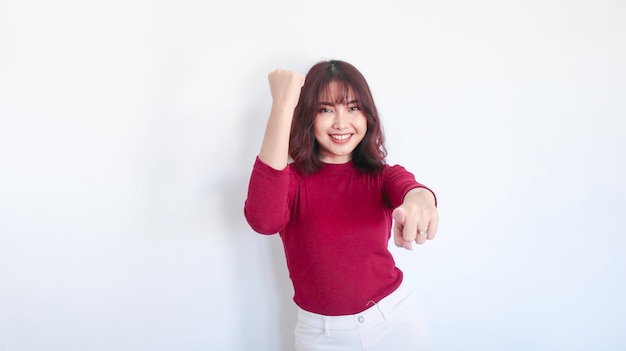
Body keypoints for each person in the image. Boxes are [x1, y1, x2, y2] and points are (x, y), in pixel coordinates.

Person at [244, 59, 439, 351]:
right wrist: (283, 106)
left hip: (395, 322)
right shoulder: (292, 182)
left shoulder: (382, 176)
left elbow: (413, 190)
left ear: (367, 115)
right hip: (321, 336)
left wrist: (422, 201)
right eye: (325, 110)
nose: (341, 123)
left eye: (352, 108)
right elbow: (263, 220)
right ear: (307, 117)